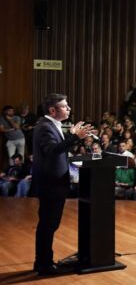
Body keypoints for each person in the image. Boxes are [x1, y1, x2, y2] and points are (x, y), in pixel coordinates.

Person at [30, 93, 93, 275]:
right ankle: (44, 265)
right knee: (48, 225)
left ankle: (43, 262)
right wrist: (75, 138)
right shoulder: (44, 127)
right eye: (65, 106)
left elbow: (59, 147)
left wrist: (72, 135)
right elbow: (52, 151)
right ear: (52, 110)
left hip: (54, 184)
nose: (69, 109)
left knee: (49, 225)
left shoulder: (51, 125)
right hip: (51, 184)